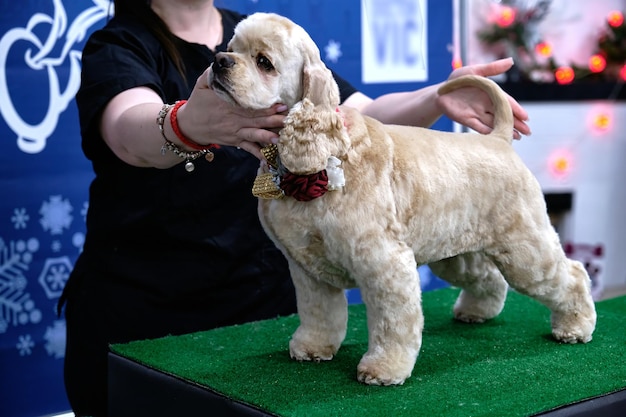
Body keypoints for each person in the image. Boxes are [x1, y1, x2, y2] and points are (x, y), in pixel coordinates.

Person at [58, 0, 531, 415]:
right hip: (151, 319)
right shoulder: (118, 44)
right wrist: (186, 123)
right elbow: (127, 130)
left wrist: (436, 96)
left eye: (261, 62)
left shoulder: (257, 30)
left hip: (267, 310)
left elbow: (355, 112)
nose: (237, 61)